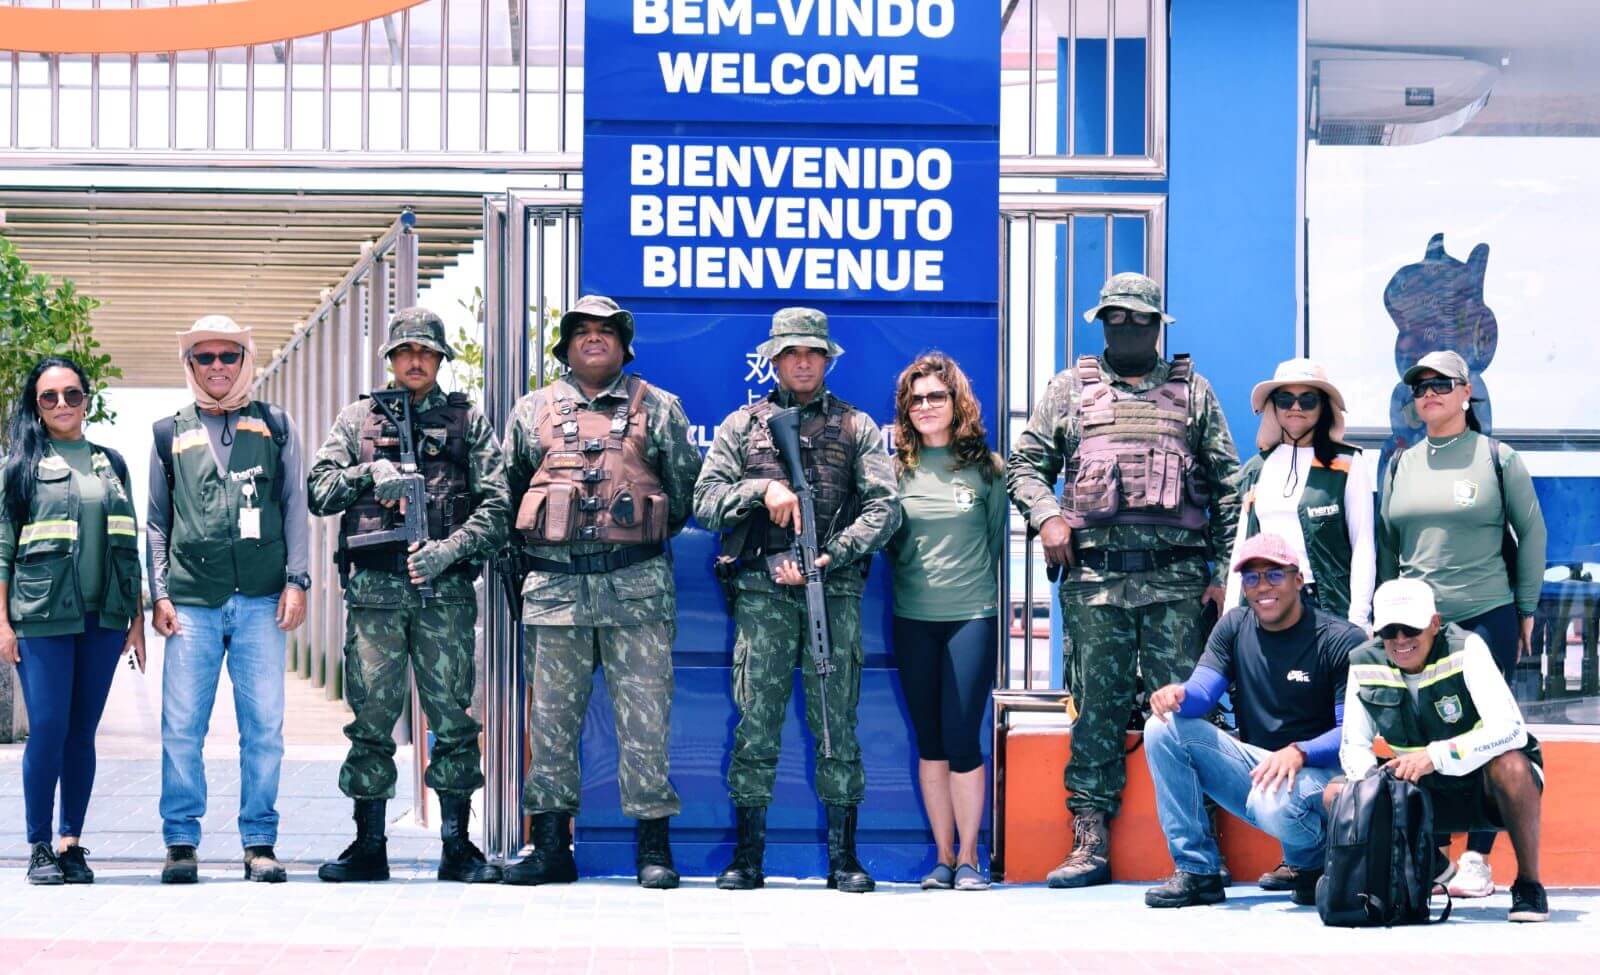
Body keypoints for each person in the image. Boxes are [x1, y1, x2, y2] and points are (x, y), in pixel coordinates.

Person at [1006, 272, 1241, 888]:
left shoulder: (1194, 393)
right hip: (1095, 581)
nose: (1128, 327)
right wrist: (1048, 516)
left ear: (1159, 325)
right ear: (1102, 322)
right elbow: (1025, 465)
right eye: (1117, 317)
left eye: (1140, 318)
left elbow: (1229, 489)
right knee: (1095, 713)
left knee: (1186, 717)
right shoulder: (1069, 390)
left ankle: (1200, 849)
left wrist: (1222, 575)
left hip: (1176, 584)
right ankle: (1089, 841)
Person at [499, 295, 702, 890]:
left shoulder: (658, 408)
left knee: (646, 721)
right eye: (582, 331)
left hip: (636, 589)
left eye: (606, 331)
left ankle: (653, 848)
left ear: (624, 346)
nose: (594, 338)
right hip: (554, 590)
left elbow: (684, 494)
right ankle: (550, 847)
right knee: (550, 722)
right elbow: (506, 491)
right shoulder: (531, 410)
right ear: (565, 346)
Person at [695, 307, 900, 894]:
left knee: (837, 722)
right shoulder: (743, 426)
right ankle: (747, 857)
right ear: (774, 361)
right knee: (756, 722)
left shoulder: (857, 427)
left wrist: (832, 553)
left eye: (812, 353)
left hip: (832, 593)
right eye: (791, 353)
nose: (803, 362)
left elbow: (886, 508)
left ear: (827, 359)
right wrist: (763, 489)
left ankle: (844, 858)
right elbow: (704, 501)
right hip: (761, 594)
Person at [308, 308, 508, 885]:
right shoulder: (358, 419)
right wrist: (368, 473)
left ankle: (457, 844)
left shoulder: (468, 420)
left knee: (453, 719)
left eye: (425, 351)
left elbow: (498, 506)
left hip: (443, 594)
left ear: (440, 358)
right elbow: (319, 490)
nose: (415, 360)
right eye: (405, 351)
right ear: (391, 359)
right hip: (375, 595)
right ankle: (369, 843)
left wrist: (448, 550)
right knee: (371, 719)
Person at [1379, 349, 1548, 897]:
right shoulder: (1400, 463)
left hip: (1485, 615)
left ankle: (1478, 856)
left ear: (1466, 392)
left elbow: (1532, 534)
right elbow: (1387, 548)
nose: (1429, 394)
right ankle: (1435, 857)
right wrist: (1385, 618)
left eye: (1441, 385)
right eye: (1420, 387)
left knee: (1486, 731)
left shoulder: (1498, 458)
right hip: (1416, 625)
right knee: (1423, 731)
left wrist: (1526, 609)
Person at [148, 316, 308, 885]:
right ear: (190, 365)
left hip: (262, 599)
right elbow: (157, 523)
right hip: (192, 601)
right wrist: (159, 593)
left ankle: (259, 841)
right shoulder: (168, 433)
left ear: (245, 360)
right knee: (181, 728)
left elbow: (294, 505)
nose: (217, 367)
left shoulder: (276, 425)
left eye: (228, 356)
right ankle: (181, 841)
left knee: (263, 728)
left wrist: (298, 580)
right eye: (205, 357)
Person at [1142, 533, 1364, 908]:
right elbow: (1202, 691)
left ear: (1298, 580)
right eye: (1251, 577)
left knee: (1271, 799)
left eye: (1275, 575)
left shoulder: (1340, 639)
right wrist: (1178, 695)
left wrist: (1300, 752)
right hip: (1263, 772)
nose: (1263, 586)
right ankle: (1198, 872)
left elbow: (1351, 733)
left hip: (1321, 774)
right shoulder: (1234, 626)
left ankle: (1314, 862)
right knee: (1162, 728)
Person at [0, 358, 145, 885]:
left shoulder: (112, 463)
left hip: (103, 617)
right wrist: (3, 623)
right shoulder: (19, 466)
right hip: (41, 617)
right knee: (48, 728)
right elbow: (3, 550)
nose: (62, 404)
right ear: (36, 406)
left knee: (81, 732)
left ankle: (71, 843)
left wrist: (136, 621)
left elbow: (128, 545)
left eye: (72, 394)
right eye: (49, 397)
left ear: (87, 399)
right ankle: (39, 845)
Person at [1334, 577, 1548, 923]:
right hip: (1420, 794)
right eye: (1389, 631)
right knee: (1338, 793)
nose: (1400, 640)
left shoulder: (1467, 649)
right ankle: (1431, 868)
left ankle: (1529, 885)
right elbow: (1353, 745)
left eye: (1410, 628)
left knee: (1512, 765)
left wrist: (1436, 757)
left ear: (1434, 623)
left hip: (1481, 786)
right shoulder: (1362, 662)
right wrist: (1372, 786)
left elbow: (1510, 729)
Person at [886, 352, 1006, 892]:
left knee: (962, 738)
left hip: (971, 618)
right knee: (930, 740)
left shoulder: (988, 469)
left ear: (957, 402)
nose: (926, 406)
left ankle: (971, 858)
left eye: (936, 396)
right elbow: (888, 544)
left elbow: (996, 541)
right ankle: (942, 856)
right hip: (913, 619)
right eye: (916, 399)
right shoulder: (896, 470)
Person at [1226, 358, 1375, 628]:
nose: (1295, 407)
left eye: (1308, 400)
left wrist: (1359, 619)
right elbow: (1241, 550)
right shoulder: (1257, 468)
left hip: (1326, 606)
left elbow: (1363, 544)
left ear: (1323, 407)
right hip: (1265, 603)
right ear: (1273, 406)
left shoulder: (1348, 463)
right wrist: (1230, 618)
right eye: (1285, 399)